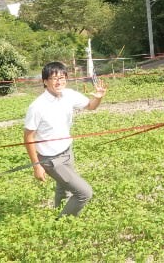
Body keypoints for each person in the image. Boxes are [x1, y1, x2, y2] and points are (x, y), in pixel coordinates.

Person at [24, 61, 106, 217]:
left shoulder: (69, 95)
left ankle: (58, 214)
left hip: (67, 151)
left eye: (62, 77)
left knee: (64, 189)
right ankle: (62, 223)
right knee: (84, 193)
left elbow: (90, 106)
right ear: (45, 81)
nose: (59, 81)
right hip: (51, 159)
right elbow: (28, 136)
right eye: (54, 78)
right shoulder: (37, 107)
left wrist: (99, 98)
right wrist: (36, 166)